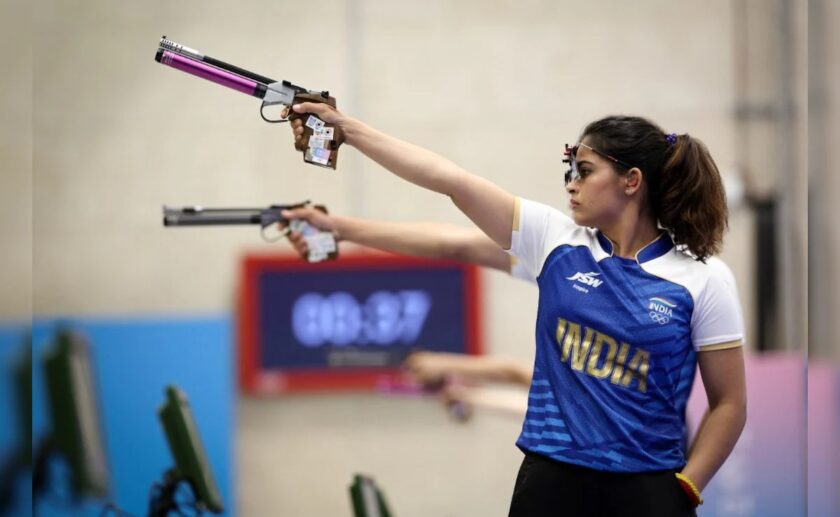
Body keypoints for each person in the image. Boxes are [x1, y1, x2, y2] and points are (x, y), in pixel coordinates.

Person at [287, 108, 747, 516]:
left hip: (647, 489)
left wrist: (687, 487)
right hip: (550, 482)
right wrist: (349, 130)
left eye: (584, 171)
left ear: (631, 181)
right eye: (570, 170)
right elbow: (449, 181)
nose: (571, 183)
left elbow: (729, 403)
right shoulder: (553, 241)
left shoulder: (703, 280)